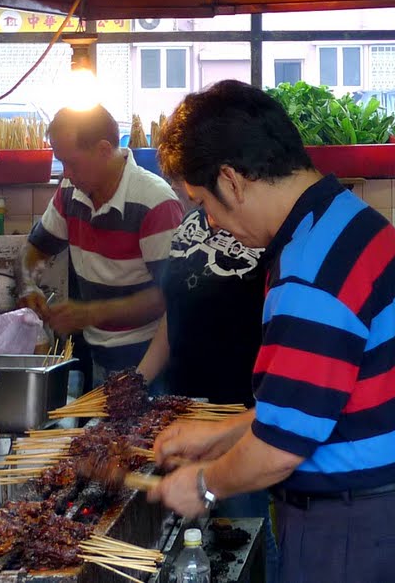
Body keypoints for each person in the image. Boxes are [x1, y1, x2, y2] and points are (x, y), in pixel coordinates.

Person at [147, 80, 395, 583]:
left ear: (231, 181)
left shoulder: (311, 268)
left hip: (360, 535)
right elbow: (310, 407)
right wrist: (222, 435)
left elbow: (279, 449)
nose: (211, 223)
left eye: (203, 203)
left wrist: (203, 485)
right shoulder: (342, 222)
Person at [137, 164, 277, 579]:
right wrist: (140, 378)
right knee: (195, 540)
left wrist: (246, 422)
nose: (186, 194)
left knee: (245, 534)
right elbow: (176, 314)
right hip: (183, 414)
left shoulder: (266, 235)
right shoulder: (193, 224)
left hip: (238, 414)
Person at [17, 105, 183, 380]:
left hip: (150, 360)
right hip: (99, 355)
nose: (65, 174)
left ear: (104, 150)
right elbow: (36, 248)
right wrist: (28, 283)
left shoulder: (154, 202)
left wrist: (92, 313)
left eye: (72, 163)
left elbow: (171, 296)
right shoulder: (71, 192)